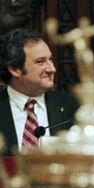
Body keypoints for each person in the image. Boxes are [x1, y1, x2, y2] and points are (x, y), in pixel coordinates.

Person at [0, 28, 78, 156]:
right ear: (15, 69)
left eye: (51, 60)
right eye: (40, 62)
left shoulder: (71, 106)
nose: (52, 69)